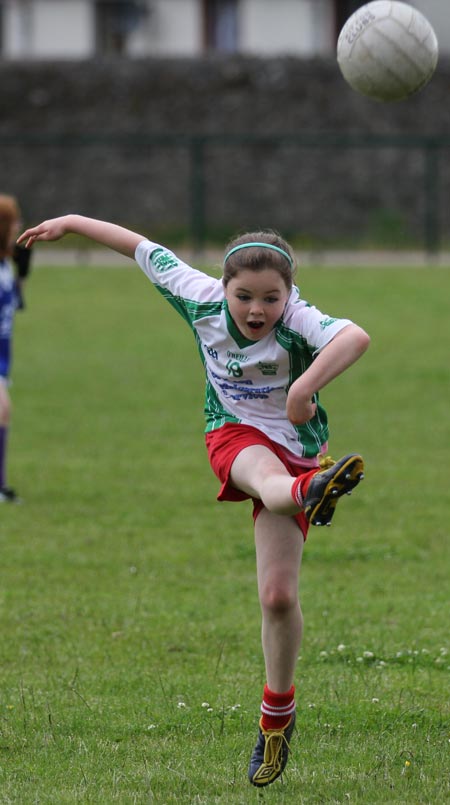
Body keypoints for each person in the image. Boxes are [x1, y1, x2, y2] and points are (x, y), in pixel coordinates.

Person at [17, 215, 370, 786]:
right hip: (232, 434)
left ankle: (276, 718)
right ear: (222, 287)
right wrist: (72, 224)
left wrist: (304, 388)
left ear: (291, 293)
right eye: (244, 297)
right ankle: (308, 492)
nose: (256, 311)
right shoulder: (196, 294)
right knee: (263, 473)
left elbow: (355, 337)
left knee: (278, 597)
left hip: (299, 451)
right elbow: (137, 246)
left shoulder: (300, 320)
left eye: (271, 299)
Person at [0, 194, 32, 503]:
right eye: (14, 222)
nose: (19, 227)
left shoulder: (6, 267)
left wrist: (21, 276)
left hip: (3, 359)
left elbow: (13, 307)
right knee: (2, 409)